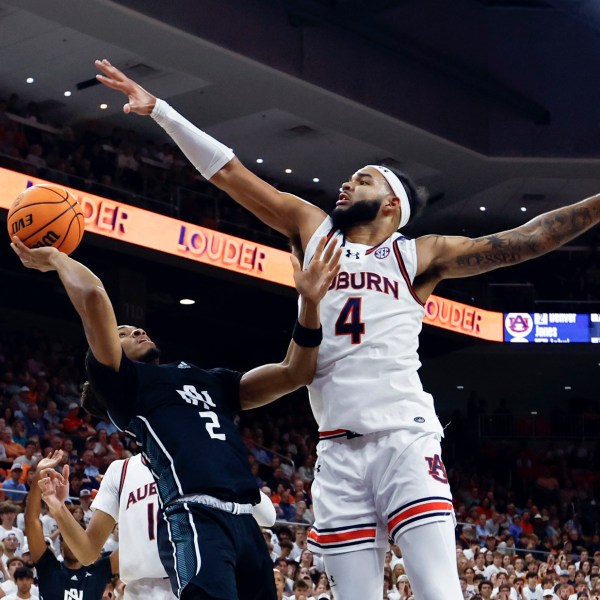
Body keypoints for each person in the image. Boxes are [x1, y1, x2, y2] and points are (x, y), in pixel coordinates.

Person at [93, 58, 600, 600]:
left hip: (404, 438)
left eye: (362, 178)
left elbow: (526, 239)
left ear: (390, 203)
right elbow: (232, 175)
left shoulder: (418, 254)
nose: (345, 182)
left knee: (439, 593)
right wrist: (163, 112)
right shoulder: (313, 230)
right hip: (336, 451)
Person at [11, 228, 340, 600]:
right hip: (193, 523)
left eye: (132, 327)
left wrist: (310, 305)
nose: (135, 329)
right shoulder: (129, 391)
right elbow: (92, 295)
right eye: (120, 333)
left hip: (242, 526)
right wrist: (55, 257)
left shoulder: (206, 380)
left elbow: (295, 372)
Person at [38, 449, 276, 600]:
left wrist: (226, 469)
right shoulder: (121, 470)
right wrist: (58, 509)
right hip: (137, 591)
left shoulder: (203, 462)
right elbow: (88, 552)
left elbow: (268, 516)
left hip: (194, 588)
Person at [24, 451, 115, 600]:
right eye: (69, 539)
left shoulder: (99, 570)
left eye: (79, 537)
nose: (74, 542)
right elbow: (31, 520)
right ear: (61, 548)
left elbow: (134, 542)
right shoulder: (48, 566)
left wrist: (117, 493)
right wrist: (39, 474)